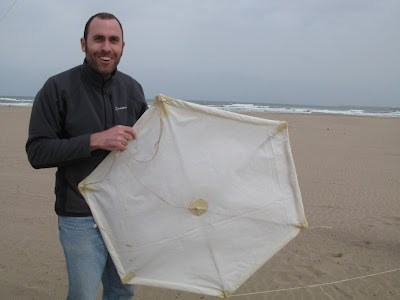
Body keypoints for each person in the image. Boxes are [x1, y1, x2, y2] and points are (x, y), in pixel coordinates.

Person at [26, 12, 147, 299]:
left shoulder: (132, 89)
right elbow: (37, 151)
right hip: (80, 214)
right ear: (84, 44)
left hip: (124, 213)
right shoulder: (57, 88)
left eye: (113, 40)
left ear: (122, 47)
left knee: (122, 292)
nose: (106, 47)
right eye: (98, 39)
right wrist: (95, 140)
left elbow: (147, 150)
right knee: (83, 294)